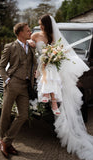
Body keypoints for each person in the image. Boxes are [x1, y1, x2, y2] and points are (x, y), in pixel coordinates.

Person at [31, 14, 93, 160]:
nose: (40, 26)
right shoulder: (35, 35)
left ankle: (54, 106)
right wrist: (31, 46)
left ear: (47, 25)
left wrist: (53, 57)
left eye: (42, 24)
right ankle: (47, 102)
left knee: (62, 92)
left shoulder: (54, 37)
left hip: (50, 67)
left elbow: (62, 51)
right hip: (39, 67)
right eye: (39, 24)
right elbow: (27, 47)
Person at [0, 22, 37, 158]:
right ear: (20, 33)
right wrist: (7, 80)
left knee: (23, 115)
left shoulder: (31, 47)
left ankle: (5, 141)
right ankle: (7, 142)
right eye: (27, 31)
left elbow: (33, 63)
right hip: (12, 84)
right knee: (6, 113)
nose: (30, 32)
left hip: (25, 86)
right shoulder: (10, 47)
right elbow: (1, 66)